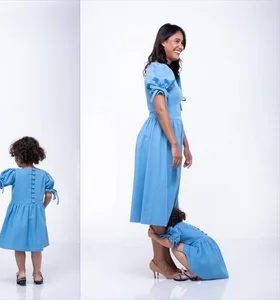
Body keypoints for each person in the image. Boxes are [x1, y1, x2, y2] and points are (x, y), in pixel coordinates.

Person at [130, 23, 193, 279]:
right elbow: (160, 110)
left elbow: (175, 113)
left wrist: (185, 144)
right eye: (176, 41)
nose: (180, 46)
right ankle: (160, 261)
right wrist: (174, 143)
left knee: (168, 199)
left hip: (170, 135)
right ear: (163, 42)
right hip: (159, 138)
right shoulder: (157, 70)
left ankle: (162, 259)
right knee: (159, 198)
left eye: (182, 43)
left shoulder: (170, 72)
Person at [0, 137, 59, 286]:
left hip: (18, 215)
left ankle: (22, 273)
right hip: (36, 214)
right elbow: (49, 194)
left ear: (19, 155)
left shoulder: (15, 174)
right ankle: (37, 275)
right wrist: (42, 207)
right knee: (36, 246)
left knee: (19, 246)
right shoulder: (44, 175)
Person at [148, 207, 229, 281]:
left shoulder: (174, 229)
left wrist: (154, 236)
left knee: (175, 248)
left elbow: (170, 243)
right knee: (181, 246)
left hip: (201, 250)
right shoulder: (183, 225)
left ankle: (192, 272)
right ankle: (208, 270)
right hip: (210, 247)